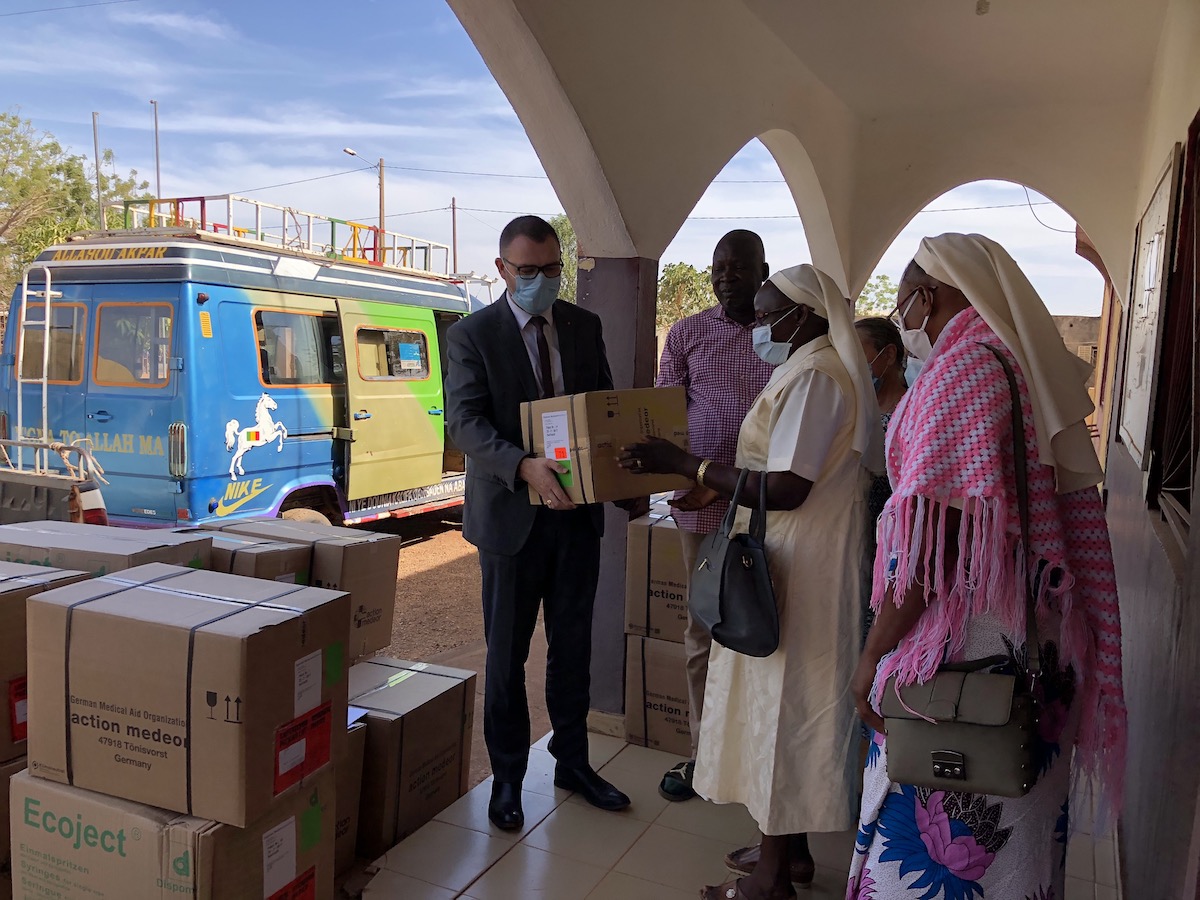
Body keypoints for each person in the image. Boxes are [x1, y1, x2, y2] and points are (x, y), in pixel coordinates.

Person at [847, 233, 1126, 900]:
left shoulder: (965, 369)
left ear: (932, 293)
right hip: (1031, 652)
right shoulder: (1015, 362)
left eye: (905, 297)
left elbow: (932, 545)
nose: (902, 314)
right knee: (1019, 840)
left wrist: (872, 659)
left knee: (934, 842)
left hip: (968, 661)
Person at [620, 265, 883, 900]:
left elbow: (789, 486)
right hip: (793, 554)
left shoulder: (818, 377)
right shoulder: (805, 369)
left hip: (806, 561)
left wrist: (686, 465)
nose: (760, 328)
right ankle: (786, 852)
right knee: (773, 700)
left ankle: (770, 882)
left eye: (770, 316)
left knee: (785, 706)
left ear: (808, 316)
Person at [445, 215, 631, 832]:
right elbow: (466, 425)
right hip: (510, 524)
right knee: (506, 655)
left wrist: (620, 474)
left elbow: (600, 405)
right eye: (529, 272)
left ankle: (572, 762)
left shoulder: (583, 325)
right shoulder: (474, 334)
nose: (543, 282)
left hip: (577, 519)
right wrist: (522, 466)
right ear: (502, 270)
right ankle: (506, 779)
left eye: (553, 270)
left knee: (572, 647)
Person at [654, 230, 774, 803]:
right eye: (717, 268)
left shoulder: (785, 333)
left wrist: (722, 489)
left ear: (763, 270)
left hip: (773, 509)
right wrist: (689, 482)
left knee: (766, 630)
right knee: (704, 630)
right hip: (699, 514)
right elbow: (663, 421)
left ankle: (759, 756)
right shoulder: (687, 334)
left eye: (739, 267)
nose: (726, 277)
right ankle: (705, 757)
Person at [853, 317, 909, 642]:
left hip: (891, 546)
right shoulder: (853, 409)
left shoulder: (911, 411)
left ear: (888, 355)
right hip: (854, 539)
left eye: (859, 354)